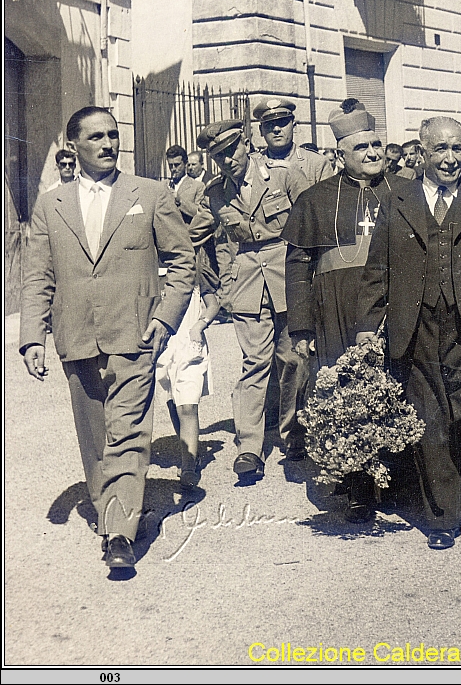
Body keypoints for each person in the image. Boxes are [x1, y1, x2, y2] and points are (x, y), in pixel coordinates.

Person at [20, 106, 195, 570]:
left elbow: (183, 263)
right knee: (94, 439)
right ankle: (108, 512)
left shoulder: (150, 193)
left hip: (136, 335)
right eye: (96, 136)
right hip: (76, 336)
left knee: (130, 435)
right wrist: (32, 336)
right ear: (72, 144)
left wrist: (164, 320)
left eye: (114, 135)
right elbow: (37, 275)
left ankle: (120, 532)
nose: (108, 144)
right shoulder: (50, 205)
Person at [355, 117, 461, 550]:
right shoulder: (399, 198)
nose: (451, 158)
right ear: (424, 151)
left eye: (458, 148)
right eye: (441, 150)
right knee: (431, 421)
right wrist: (366, 325)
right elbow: (378, 265)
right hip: (418, 325)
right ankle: (444, 513)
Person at [282, 99, 394, 521]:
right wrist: (301, 327)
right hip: (337, 311)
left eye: (376, 144)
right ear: (339, 155)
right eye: (361, 147)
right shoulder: (315, 199)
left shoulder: (403, 191)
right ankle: (358, 487)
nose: (371, 153)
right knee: (346, 392)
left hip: (393, 305)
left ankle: (399, 477)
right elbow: (297, 268)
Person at [189, 119, 309, 477]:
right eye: (218, 157)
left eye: (231, 151)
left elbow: (312, 223)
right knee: (254, 363)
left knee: (293, 360)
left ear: (246, 144)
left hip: (289, 274)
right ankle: (249, 448)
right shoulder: (214, 193)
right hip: (246, 284)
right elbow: (188, 238)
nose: (227, 161)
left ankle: (293, 433)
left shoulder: (283, 175)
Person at [155, 236, 220, 488]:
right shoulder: (149, 273)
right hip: (163, 348)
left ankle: (188, 466)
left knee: (188, 405)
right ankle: (189, 450)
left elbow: (213, 303)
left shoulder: (191, 270)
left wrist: (199, 325)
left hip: (189, 345)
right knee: (173, 402)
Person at [254, 96, 332, 186]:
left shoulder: (316, 163)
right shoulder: (253, 163)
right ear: (261, 130)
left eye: (282, 123)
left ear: (294, 127)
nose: (276, 129)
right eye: (269, 124)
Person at [167, 144, 205, 225]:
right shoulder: (164, 184)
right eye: (170, 165)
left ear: (185, 164)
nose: (173, 169)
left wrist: (179, 201)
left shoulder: (198, 186)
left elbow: (200, 214)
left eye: (177, 165)